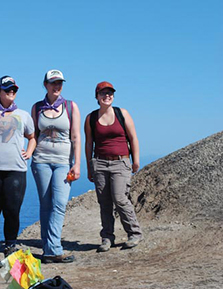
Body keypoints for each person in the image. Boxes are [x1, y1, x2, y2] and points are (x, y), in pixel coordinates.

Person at [0, 76, 36, 269]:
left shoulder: (23, 114)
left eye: (14, 89)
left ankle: (10, 246)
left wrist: (29, 151)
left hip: (16, 169)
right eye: (7, 89)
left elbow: (32, 137)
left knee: (12, 211)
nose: (11, 92)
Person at [84, 81, 143, 253]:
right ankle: (107, 237)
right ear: (97, 97)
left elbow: (133, 138)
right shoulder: (91, 118)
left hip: (121, 162)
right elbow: (89, 144)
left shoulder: (121, 113)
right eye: (103, 93)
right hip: (100, 163)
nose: (107, 96)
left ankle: (134, 233)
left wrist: (136, 160)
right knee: (104, 203)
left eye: (110, 93)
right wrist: (89, 166)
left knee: (120, 198)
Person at [31, 69, 81, 263]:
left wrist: (77, 163)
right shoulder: (37, 107)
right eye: (53, 82)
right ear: (45, 85)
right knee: (46, 205)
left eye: (60, 82)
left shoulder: (70, 106)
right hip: (41, 160)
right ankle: (49, 250)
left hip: (63, 162)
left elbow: (76, 136)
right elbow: (34, 135)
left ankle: (53, 249)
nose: (57, 85)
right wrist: (28, 153)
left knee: (59, 204)